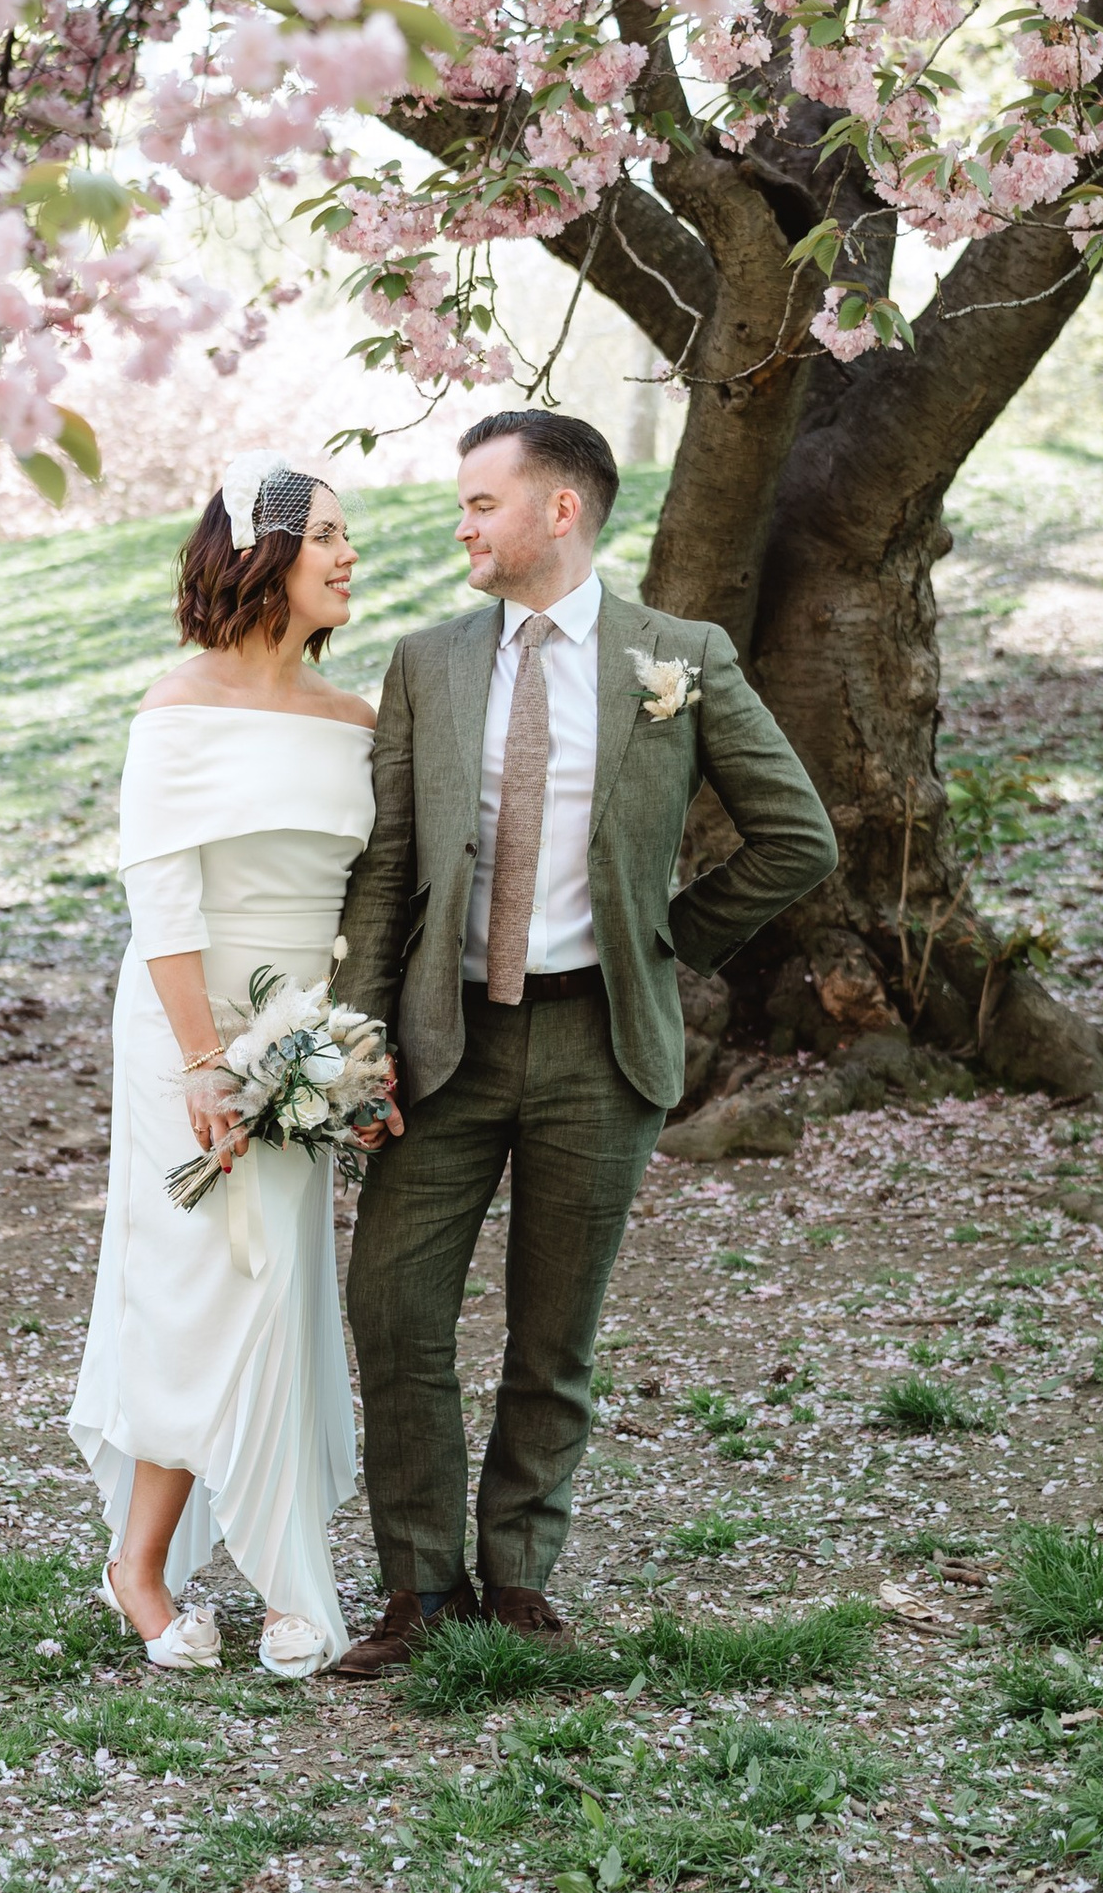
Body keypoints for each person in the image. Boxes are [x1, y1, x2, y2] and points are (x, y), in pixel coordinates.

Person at [328, 410, 837, 1678]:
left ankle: (516, 1580)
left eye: (480, 504)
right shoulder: (428, 662)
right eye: (459, 504)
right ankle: (416, 1592)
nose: (461, 525)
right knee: (391, 1309)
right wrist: (360, 1035)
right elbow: (389, 869)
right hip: (444, 1041)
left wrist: (664, 945)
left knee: (553, 1335)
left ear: (561, 511)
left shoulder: (680, 657)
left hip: (599, 1044)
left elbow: (796, 837)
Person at [68, 451, 377, 1680]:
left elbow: (369, 892)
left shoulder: (356, 719)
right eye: (330, 540)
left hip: (306, 1038)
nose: (351, 558)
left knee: (281, 1295)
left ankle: (284, 1571)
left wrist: (343, 1051)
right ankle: (138, 1571)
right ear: (265, 557)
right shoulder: (177, 703)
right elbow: (162, 894)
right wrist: (205, 1060)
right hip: (185, 1035)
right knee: (198, 1291)